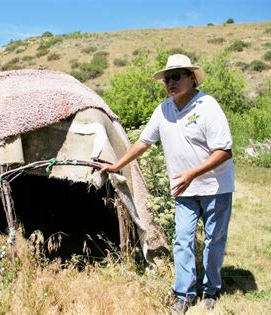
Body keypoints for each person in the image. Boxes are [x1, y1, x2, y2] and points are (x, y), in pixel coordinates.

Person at [99, 54, 234, 313]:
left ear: (192, 78)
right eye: (166, 79)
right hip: (183, 187)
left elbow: (224, 151)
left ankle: (211, 290)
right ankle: (184, 293)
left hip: (216, 186)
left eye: (176, 76)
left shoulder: (207, 106)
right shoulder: (163, 109)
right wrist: (117, 165)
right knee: (182, 239)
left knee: (214, 240)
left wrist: (192, 173)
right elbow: (143, 142)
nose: (170, 82)